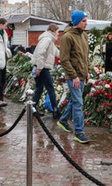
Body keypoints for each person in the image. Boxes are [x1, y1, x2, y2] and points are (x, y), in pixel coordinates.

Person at [56, 10, 90, 144]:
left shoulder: (84, 36)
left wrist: (88, 71)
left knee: (75, 101)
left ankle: (63, 120)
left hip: (82, 74)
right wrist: (74, 76)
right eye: (83, 21)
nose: (86, 23)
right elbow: (64, 59)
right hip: (73, 77)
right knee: (78, 104)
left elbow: (85, 56)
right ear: (76, 22)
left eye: (86, 20)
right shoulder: (67, 37)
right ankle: (79, 132)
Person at [31, 23, 61, 119]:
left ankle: (33, 108)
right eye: (58, 31)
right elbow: (40, 53)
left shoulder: (49, 41)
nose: (58, 34)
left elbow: (57, 53)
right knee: (51, 89)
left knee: (39, 88)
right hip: (42, 68)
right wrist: (40, 68)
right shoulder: (47, 40)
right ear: (53, 31)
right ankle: (55, 110)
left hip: (40, 67)